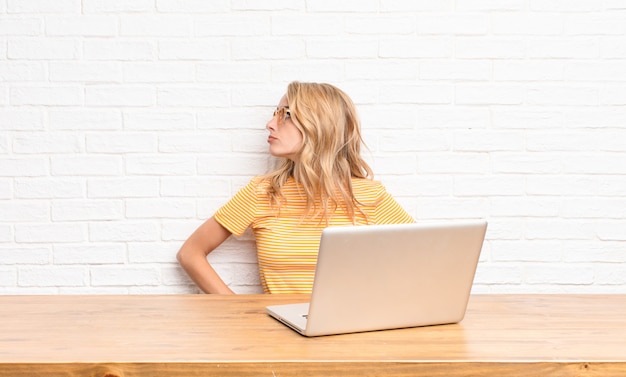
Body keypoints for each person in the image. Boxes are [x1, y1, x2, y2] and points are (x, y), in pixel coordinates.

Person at [177, 81, 414, 294]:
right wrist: (239, 312)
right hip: (279, 336)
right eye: (275, 114)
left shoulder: (368, 196)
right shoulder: (261, 192)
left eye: (286, 114)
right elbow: (191, 254)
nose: (270, 124)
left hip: (353, 335)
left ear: (320, 125)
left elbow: (425, 258)